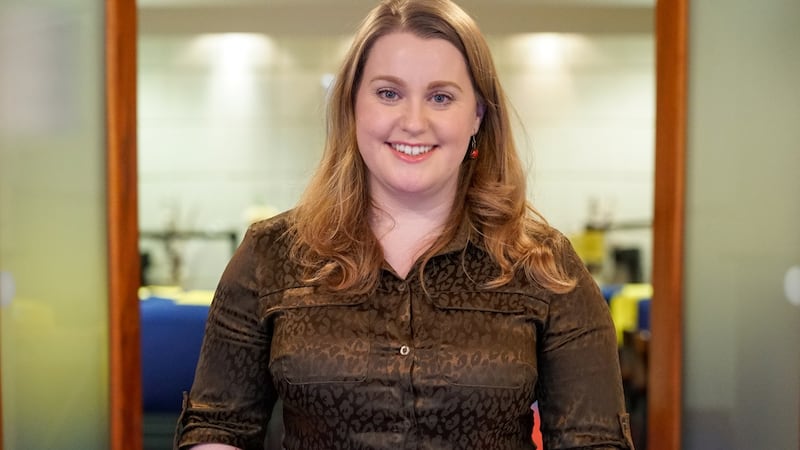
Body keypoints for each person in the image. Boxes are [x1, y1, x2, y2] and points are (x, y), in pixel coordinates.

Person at [174, 0, 635, 449]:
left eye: (440, 97)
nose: (413, 121)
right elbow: (218, 427)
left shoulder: (546, 266)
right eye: (389, 93)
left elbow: (594, 439)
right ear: (353, 105)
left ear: (477, 115)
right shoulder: (270, 254)